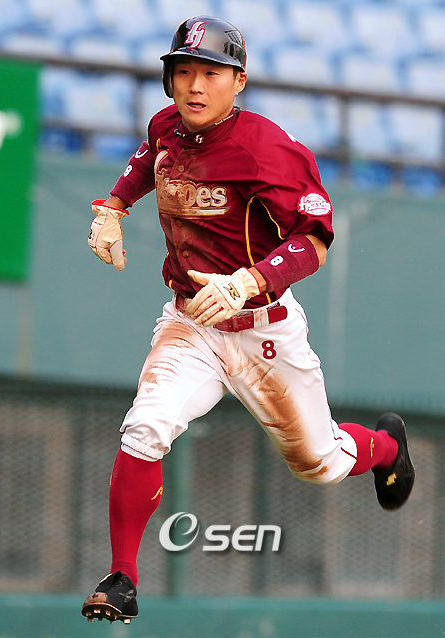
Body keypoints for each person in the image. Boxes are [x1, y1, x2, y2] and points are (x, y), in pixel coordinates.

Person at [82, 16, 415, 624]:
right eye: (184, 71)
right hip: (192, 323)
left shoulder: (266, 147)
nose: (194, 85)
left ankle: (387, 447)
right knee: (145, 426)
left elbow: (315, 241)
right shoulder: (166, 127)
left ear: (239, 81)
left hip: (264, 328)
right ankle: (122, 577)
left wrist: (247, 281)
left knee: (319, 464)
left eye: (211, 73)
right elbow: (147, 159)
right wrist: (113, 207)